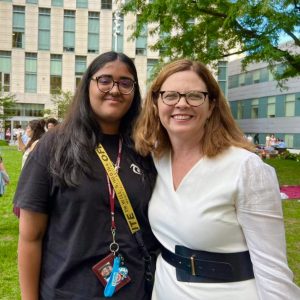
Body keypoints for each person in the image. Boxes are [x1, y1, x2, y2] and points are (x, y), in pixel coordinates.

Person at [133, 59, 300, 300]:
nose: (182, 103)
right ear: (156, 104)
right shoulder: (156, 159)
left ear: (211, 105)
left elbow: (272, 268)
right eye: (170, 95)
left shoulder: (245, 167)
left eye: (194, 96)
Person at [13, 51, 159, 300]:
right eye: (105, 80)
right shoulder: (55, 144)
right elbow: (30, 237)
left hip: (135, 291)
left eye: (125, 83)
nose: (115, 89)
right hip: (66, 291)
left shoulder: (144, 149)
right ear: (87, 85)